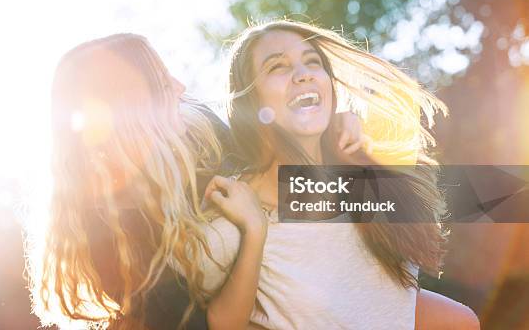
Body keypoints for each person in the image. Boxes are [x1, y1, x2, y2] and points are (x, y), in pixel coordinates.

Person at [23, 32, 367, 330]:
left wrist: (329, 128)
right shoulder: (109, 235)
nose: (180, 87)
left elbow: (269, 162)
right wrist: (253, 231)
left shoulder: (199, 129)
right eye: (161, 82)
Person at [197, 20, 480, 329]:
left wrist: (348, 136)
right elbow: (222, 323)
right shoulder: (235, 213)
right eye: (278, 66)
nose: (303, 74)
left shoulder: (353, 170)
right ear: (250, 100)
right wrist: (254, 232)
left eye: (312, 62)